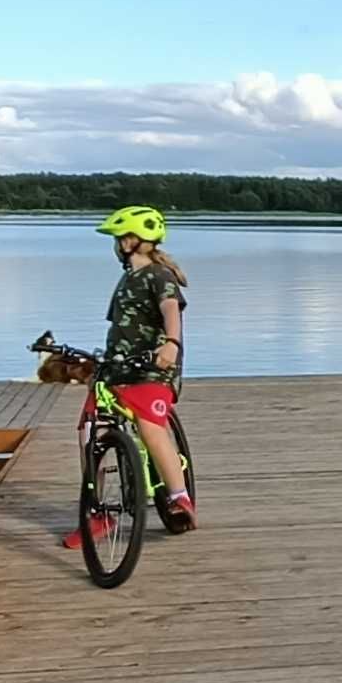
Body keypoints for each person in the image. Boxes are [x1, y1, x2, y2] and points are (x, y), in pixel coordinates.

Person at [92, 204, 194, 532]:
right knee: (94, 433)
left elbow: (170, 310)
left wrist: (171, 344)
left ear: (130, 241)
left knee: (151, 427)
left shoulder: (158, 275)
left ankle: (180, 498)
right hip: (119, 369)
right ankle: (97, 510)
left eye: (119, 238)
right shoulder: (127, 279)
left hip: (152, 369)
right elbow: (121, 329)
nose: (117, 244)